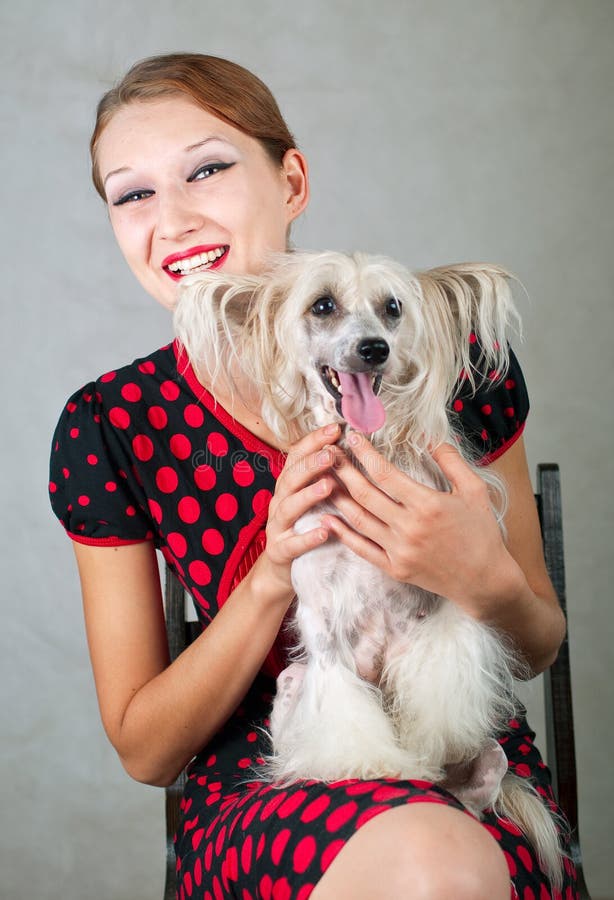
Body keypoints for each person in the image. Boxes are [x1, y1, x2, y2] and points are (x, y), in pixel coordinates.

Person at [49, 53, 577, 899]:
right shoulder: (115, 423)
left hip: (459, 751)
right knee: (430, 866)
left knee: (448, 857)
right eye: (132, 193)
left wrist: (478, 577)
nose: (174, 219)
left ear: (291, 180)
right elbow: (148, 752)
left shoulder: (453, 356)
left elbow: (535, 645)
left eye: (208, 169)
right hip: (268, 785)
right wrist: (271, 574)